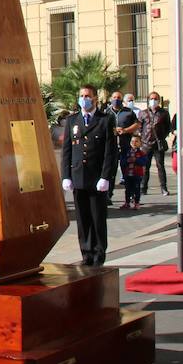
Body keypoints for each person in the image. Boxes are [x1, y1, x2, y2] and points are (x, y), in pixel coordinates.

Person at [60, 84, 118, 266]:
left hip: (97, 178)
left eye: (87, 96)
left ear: (94, 99)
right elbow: (67, 151)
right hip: (78, 177)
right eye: (81, 95)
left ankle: (99, 252)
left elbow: (111, 152)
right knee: (83, 218)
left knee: (97, 217)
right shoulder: (72, 121)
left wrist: (106, 177)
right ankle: (86, 252)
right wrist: (66, 176)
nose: (84, 99)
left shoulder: (105, 120)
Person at [138, 92, 172, 196]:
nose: (154, 100)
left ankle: (164, 188)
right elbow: (139, 127)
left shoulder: (164, 113)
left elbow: (168, 127)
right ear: (148, 100)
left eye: (156, 98)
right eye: (152, 98)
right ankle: (143, 188)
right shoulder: (142, 113)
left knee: (160, 166)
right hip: (146, 144)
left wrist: (162, 137)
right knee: (145, 167)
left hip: (158, 143)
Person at [109, 91, 140, 191]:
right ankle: (108, 195)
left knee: (127, 171)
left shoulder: (129, 112)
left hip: (126, 145)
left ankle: (130, 195)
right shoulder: (106, 112)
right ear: (111, 99)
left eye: (118, 98)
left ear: (122, 100)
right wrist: (112, 130)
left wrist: (125, 130)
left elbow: (137, 124)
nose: (116, 100)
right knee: (111, 172)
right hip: (111, 146)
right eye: (114, 97)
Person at [122, 134, 149, 210]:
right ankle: (127, 202)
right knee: (127, 189)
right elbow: (122, 161)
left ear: (140, 143)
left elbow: (144, 162)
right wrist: (127, 161)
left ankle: (137, 203)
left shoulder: (141, 153)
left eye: (136, 141)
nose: (134, 143)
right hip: (128, 174)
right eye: (132, 141)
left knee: (136, 189)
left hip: (137, 174)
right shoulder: (127, 152)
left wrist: (136, 160)